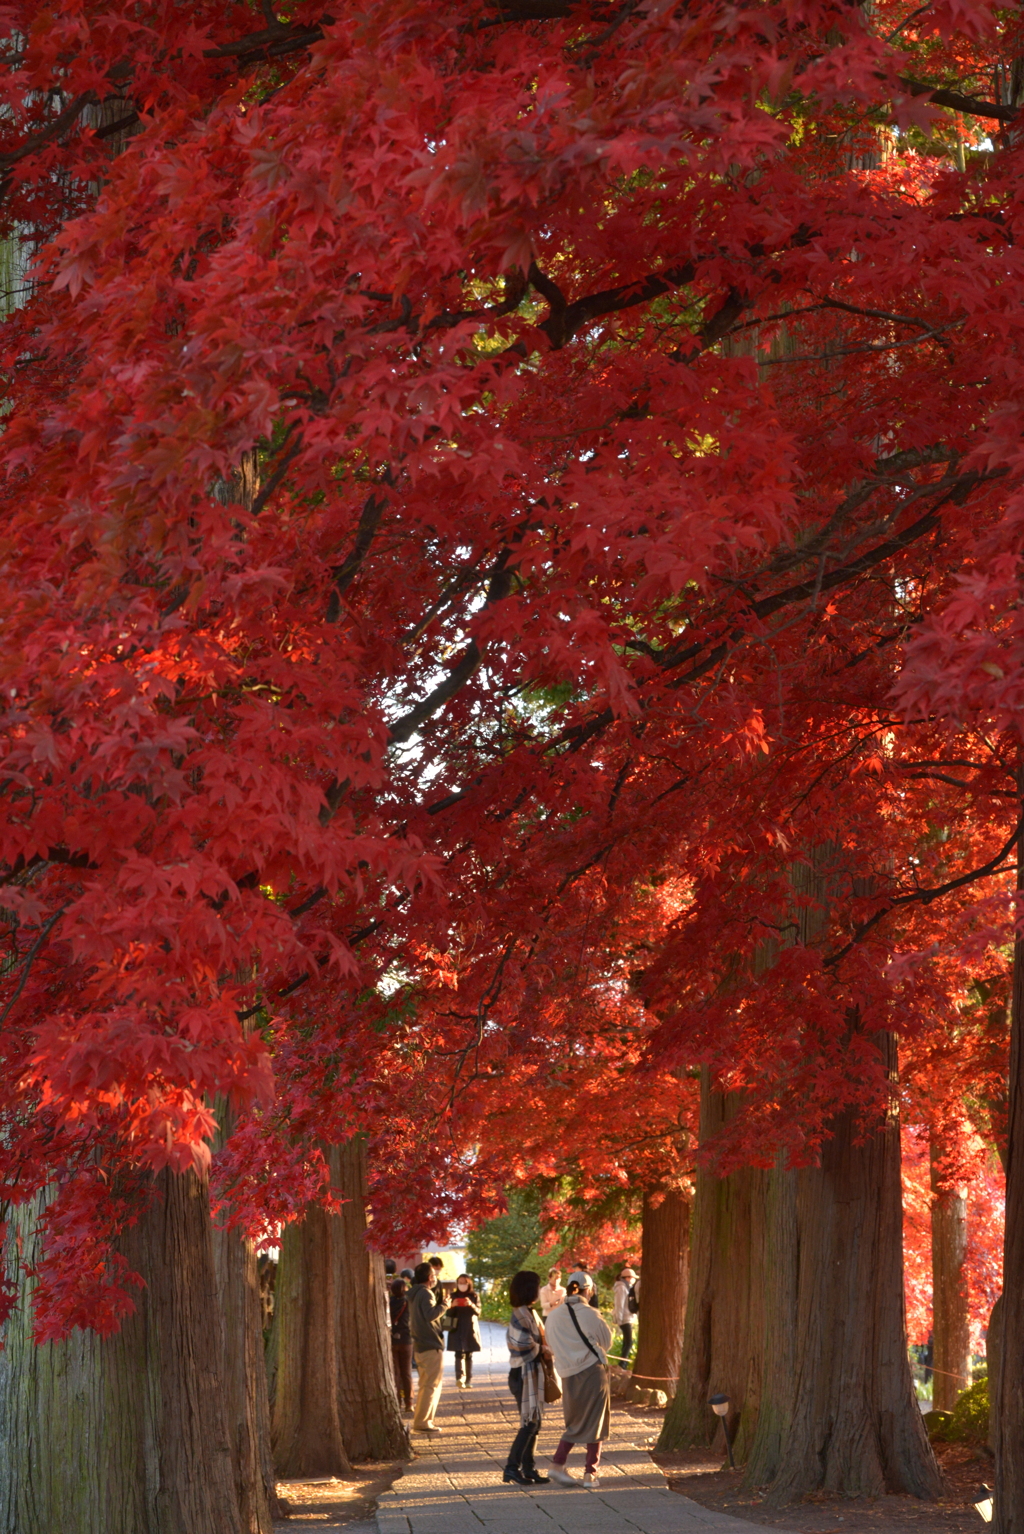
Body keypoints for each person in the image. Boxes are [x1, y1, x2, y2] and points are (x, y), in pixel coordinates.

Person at [543, 1270, 612, 1488]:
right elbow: (606, 1341)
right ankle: (590, 1473)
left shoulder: (554, 1315)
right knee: (596, 1420)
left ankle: (558, 1463)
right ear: (588, 1289)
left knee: (575, 1421)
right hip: (592, 1371)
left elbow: (552, 1344)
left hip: (566, 1373)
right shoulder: (589, 1313)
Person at [504, 1269, 550, 1486]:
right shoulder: (520, 1314)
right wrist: (543, 1349)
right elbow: (521, 1345)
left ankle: (528, 1468)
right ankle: (512, 1468)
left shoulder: (529, 1312)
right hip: (523, 1374)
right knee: (529, 1423)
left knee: (535, 1422)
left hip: (531, 1372)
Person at [409, 1260, 447, 1433]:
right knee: (431, 1385)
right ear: (430, 1277)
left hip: (420, 1343)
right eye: (434, 1275)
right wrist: (445, 1304)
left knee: (426, 1384)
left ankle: (424, 1420)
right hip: (430, 1344)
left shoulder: (413, 1293)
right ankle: (423, 1422)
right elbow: (431, 1314)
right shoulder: (426, 1293)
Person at [446, 1273, 482, 1388]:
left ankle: (468, 1380)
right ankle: (459, 1378)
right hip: (456, 1327)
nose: (462, 1285)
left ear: (469, 1283)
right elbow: (448, 1314)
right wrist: (452, 1306)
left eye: (464, 1283)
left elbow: (478, 1312)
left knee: (469, 1353)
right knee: (458, 1353)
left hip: (469, 1327)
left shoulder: (474, 1296)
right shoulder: (453, 1295)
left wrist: (471, 1305)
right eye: (460, 1283)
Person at [389, 1276, 414, 1414]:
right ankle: (409, 1402)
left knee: (396, 1373)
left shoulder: (388, 1302)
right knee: (407, 1372)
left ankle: (397, 1402)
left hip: (392, 1340)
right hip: (406, 1339)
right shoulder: (408, 1302)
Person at [612, 1266, 638, 1370]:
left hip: (627, 1318)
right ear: (627, 1278)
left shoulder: (627, 1287)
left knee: (627, 1342)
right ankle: (622, 1365)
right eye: (632, 1278)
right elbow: (619, 1305)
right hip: (624, 1319)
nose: (634, 1280)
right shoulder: (621, 1288)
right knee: (629, 1342)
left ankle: (622, 1364)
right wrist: (619, 1319)